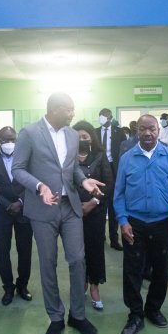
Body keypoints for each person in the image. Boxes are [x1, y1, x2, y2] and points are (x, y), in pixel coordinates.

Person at [12, 93, 104, 334]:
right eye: (69, 109)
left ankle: (77, 315)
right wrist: (39, 186)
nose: (73, 114)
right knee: (48, 263)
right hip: (43, 208)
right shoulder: (30, 133)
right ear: (54, 109)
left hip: (70, 206)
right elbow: (17, 169)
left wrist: (84, 181)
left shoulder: (72, 135)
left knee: (77, 260)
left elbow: (71, 169)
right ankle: (55, 317)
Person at [113, 114, 168, 334]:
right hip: (134, 224)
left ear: (159, 130)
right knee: (132, 270)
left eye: (152, 129)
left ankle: (153, 309)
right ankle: (135, 315)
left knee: (160, 269)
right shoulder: (127, 158)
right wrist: (123, 221)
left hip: (162, 222)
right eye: (143, 129)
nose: (147, 133)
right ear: (136, 131)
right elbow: (119, 194)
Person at [0, 126, 33, 304]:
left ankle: (23, 285)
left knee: (25, 250)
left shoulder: (26, 157)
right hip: (0, 210)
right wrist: (6, 204)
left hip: (24, 209)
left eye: (12, 140)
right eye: (5, 140)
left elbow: (32, 182)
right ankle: (8, 288)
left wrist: (20, 202)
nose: (9, 143)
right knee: (2, 251)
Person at [73, 120, 113, 311]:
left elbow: (108, 184)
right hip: (73, 212)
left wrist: (93, 202)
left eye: (85, 136)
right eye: (78, 136)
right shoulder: (67, 157)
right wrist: (76, 205)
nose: (82, 139)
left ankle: (95, 287)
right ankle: (81, 283)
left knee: (95, 250)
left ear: (91, 138)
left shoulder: (99, 156)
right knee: (77, 252)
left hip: (95, 211)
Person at [96, 107, 126, 251]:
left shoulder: (119, 132)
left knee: (114, 204)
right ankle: (100, 236)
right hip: (99, 170)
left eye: (105, 115)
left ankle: (114, 238)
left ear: (110, 118)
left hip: (115, 169)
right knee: (100, 202)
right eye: (100, 115)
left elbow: (125, 150)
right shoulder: (95, 132)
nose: (102, 117)